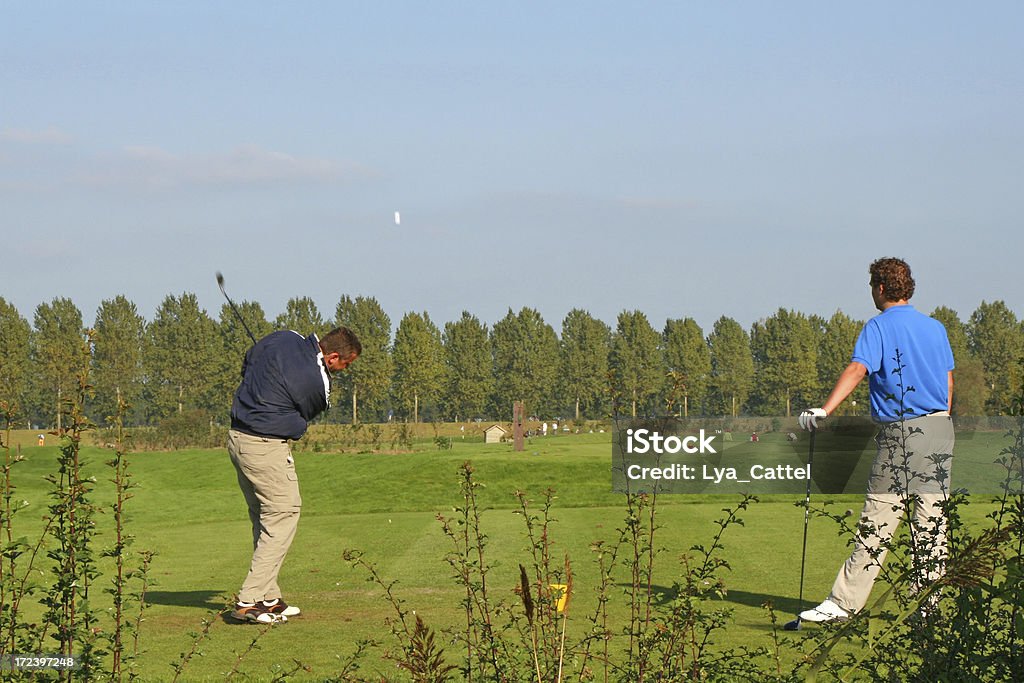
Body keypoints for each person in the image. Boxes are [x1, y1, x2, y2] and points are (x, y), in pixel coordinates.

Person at [797, 257, 954, 623]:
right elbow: (947, 384)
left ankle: (844, 604)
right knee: (931, 524)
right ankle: (926, 608)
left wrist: (825, 410)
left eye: (872, 286)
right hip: (940, 429)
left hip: (903, 431)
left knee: (879, 521)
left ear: (880, 288)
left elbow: (857, 369)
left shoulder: (878, 326)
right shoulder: (935, 328)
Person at [227, 327, 360, 624]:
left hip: (237, 439)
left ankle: (268, 596)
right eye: (346, 364)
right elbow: (307, 412)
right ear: (333, 356)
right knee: (284, 514)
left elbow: (249, 361)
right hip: (265, 447)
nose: (345, 370)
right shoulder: (319, 381)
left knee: (264, 517)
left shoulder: (285, 336)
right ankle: (249, 601)